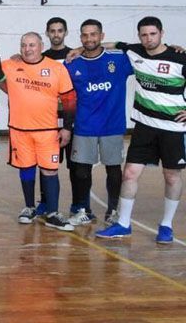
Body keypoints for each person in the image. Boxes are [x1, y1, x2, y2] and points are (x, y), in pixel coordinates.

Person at [95, 16, 186, 243]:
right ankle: (123, 224)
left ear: (162, 33)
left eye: (153, 34)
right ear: (139, 36)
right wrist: (77, 49)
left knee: (172, 176)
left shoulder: (180, 58)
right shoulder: (135, 52)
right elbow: (112, 45)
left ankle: (166, 225)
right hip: (144, 126)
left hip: (173, 128)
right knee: (130, 174)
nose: (148, 39)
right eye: (144, 35)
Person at [2, 32, 75, 231]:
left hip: (48, 130)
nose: (27, 49)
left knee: (49, 170)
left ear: (41, 46)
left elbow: (69, 100)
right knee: (26, 168)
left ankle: (52, 213)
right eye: (23, 45)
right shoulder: (9, 65)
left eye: (32, 45)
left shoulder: (56, 68)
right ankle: (29, 208)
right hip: (19, 130)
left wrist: (67, 128)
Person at [65, 19, 133, 226]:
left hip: (112, 125)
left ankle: (112, 210)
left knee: (113, 169)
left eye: (93, 34)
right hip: (84, 126)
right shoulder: (72, 63)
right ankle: (84, 210)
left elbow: (144, 53)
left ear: (102, 36)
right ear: (80, 38)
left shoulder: (119, 60)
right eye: (84, 35)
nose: (89, 39)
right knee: (81, 170)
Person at [35, 17, 73, 217]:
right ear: (47, 33)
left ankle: (79, 206)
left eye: (60, 30)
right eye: (52, 30)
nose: (56, 34)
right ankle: (45, 202)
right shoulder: (41, 57)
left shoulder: (74, 56)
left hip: (71, 119)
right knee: (47, 165)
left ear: (66, 32)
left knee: (76, 167)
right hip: (47, 120)